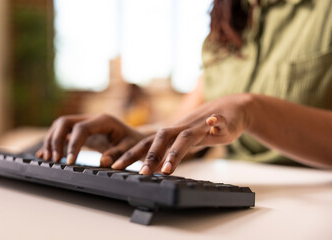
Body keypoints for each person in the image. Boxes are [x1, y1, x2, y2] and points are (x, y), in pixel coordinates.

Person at [36, 0, 332, 174]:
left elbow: (240, 108)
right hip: (240, 193)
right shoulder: (228, 21)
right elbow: (187, 127)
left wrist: (251, 110)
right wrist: (136, 139)